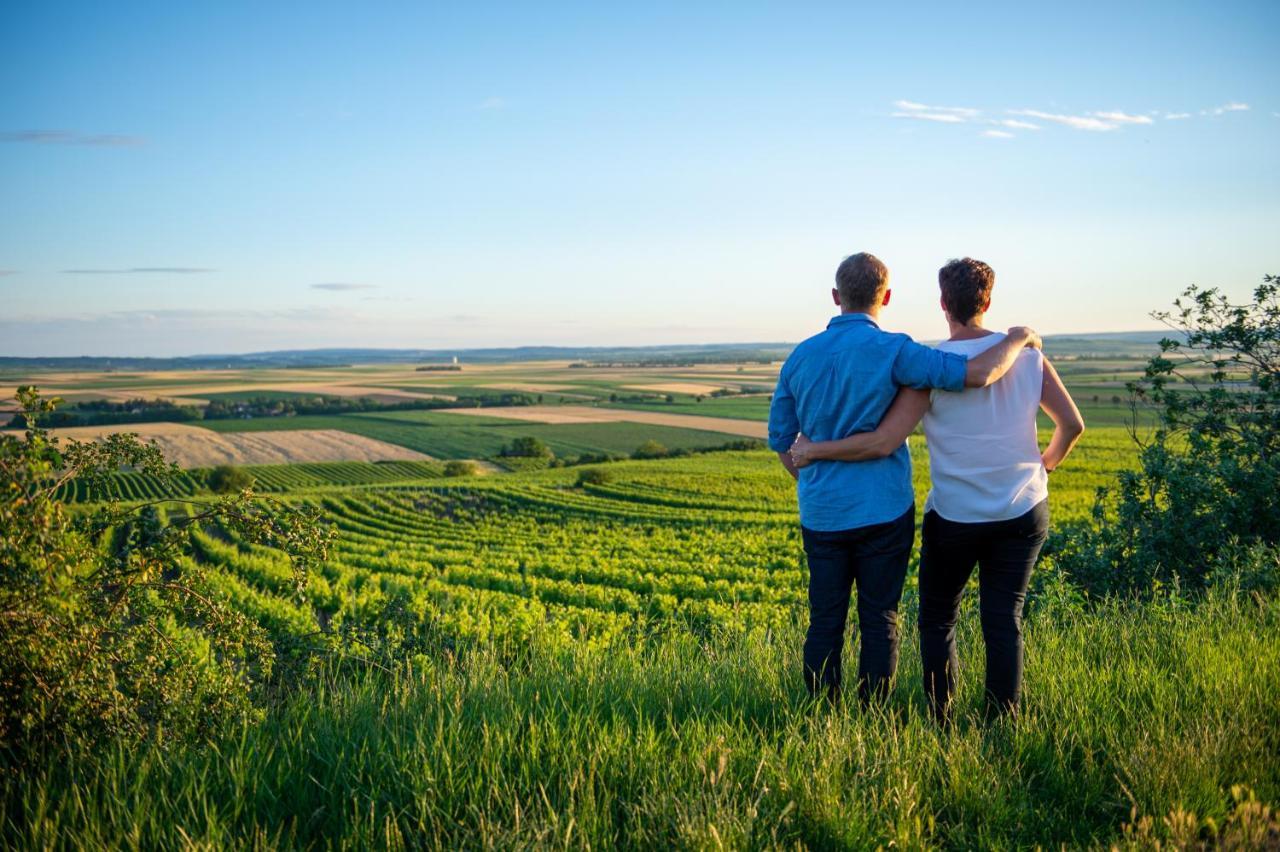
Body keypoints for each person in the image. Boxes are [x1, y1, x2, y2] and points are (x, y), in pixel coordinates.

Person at [789, 257, 1084, 722]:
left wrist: (814, 454)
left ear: (943, 303)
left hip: (955, 515)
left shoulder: (930, 368)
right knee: (1004, 619)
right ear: (988, 301)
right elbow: (1071, 424)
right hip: (1024, 508)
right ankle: (999, 720)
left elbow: (885, 440)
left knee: (937, 620)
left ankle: (940, 718)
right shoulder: (1028, 357)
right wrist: (1044, 465)